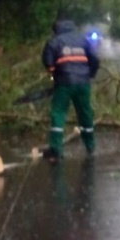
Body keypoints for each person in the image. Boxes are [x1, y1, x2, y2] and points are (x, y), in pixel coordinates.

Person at [41, 20, 100, 162]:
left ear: (56, 30)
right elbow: (95, 60)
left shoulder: (53, 42)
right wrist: (89, 74)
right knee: (85, 113)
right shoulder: (84, 40)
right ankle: (90, 145)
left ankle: (56, 150)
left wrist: (54, 75)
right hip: (83, 84)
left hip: (64, 83)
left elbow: (49, 63)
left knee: (58, 113)